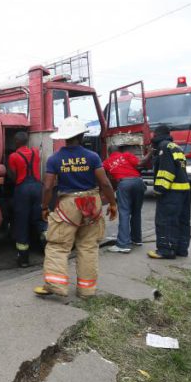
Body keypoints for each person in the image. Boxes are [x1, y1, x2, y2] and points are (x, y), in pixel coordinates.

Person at [34, 117, 117, 298]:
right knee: (88, 246)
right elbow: (105, 183)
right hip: (92, 203)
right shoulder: (92, 157)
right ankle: (86, 290)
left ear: (63, 137)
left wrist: (44, 208)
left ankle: (56, 285)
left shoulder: (55, 159)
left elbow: (48, 187)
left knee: (58, 245)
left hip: (68, 205)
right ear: (81, 135)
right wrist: (112, 203)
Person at [147, 124, 191, 260]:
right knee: (182, 221)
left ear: (157, 135)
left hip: (171, 192)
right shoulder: (176, 147)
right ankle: (181, 249)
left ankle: (165, 250)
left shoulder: (164, 147)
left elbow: (166, 170)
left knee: (166, 220)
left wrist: (160, 189)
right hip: (184, 190)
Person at [7, 131, 47, 267]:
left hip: (22, 189)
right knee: (40, 219)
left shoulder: (13, 156)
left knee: (22, 222)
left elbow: (13, 177)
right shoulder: (35, 152)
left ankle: (23, 259)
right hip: (37, 187)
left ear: (17, 142)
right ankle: (48, 247)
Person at [102, 145, 151, 253]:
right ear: (119, 151)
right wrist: (150, 153)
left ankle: (123, 244)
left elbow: (100, 175)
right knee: (136, 212)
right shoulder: (127, 155)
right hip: (138, 182)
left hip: (124, 184)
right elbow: (140, 163)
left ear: (109, 153)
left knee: (124, 213)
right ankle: (136, 239)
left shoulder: (107, 162)